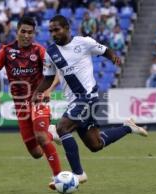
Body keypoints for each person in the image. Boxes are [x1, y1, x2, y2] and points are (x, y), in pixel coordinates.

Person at [32, 15, 148, 184]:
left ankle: (78, 174)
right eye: (51, 31)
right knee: (96, 144)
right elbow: (48, 78)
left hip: (88, 97)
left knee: (63, 128)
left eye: (56, 29)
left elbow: (104, 49)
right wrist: (38, 92)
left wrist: (113, 56)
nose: (53, 34)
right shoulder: (50, 53)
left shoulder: (83, 42)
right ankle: (128, 128)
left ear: (66, 28)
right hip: (74, 101)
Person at [0, 16, 62, 189]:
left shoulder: (40, 51)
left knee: (41, 138)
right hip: (20, 105)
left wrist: (48, 90)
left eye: (30, 32)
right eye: (24, 31)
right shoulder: (6, 51)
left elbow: (58, 73)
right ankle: (52, 132)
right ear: (17, 32)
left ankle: (59, 178)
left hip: (38, 100)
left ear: (34, 34)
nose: (27, 35)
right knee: (36, 152)